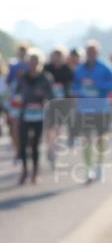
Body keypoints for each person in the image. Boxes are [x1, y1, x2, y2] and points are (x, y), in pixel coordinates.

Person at [71, 40, 112, 183]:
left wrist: (96, 84)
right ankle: (88, 169)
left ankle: (99, 164)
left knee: (101, 138)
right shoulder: (80, 69)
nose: (91, 54)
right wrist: (77, 92)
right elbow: (75, 85)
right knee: (86, 138)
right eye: (89, 51)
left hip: (101, 108)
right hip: (85, 108)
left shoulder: (105, 68)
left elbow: (110, 84)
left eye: (93, 51)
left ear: (97, 52)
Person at [14, 49, 55, 185]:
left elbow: (52, 96)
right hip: (25, 114)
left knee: (35, 144)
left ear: (40, 63)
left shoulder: (46, 78)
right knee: (23, 143)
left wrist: (42, 95)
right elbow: (16, 93)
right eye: (31, 62)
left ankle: (35, 172)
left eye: (36, 62)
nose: (33, 64)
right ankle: (24, 171)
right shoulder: (23, 77)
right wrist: (18, 99)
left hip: (39, 114)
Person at [43, 47, 73, 168]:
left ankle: (54, 150)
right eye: (55, 56)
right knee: (49, 128)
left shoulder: (67, 70)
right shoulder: (46, 68)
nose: (56, 59)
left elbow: (71, 86)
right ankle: (50, 148)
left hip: (62, 103)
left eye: (59, 56)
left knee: (58, 127)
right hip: (49, 102)